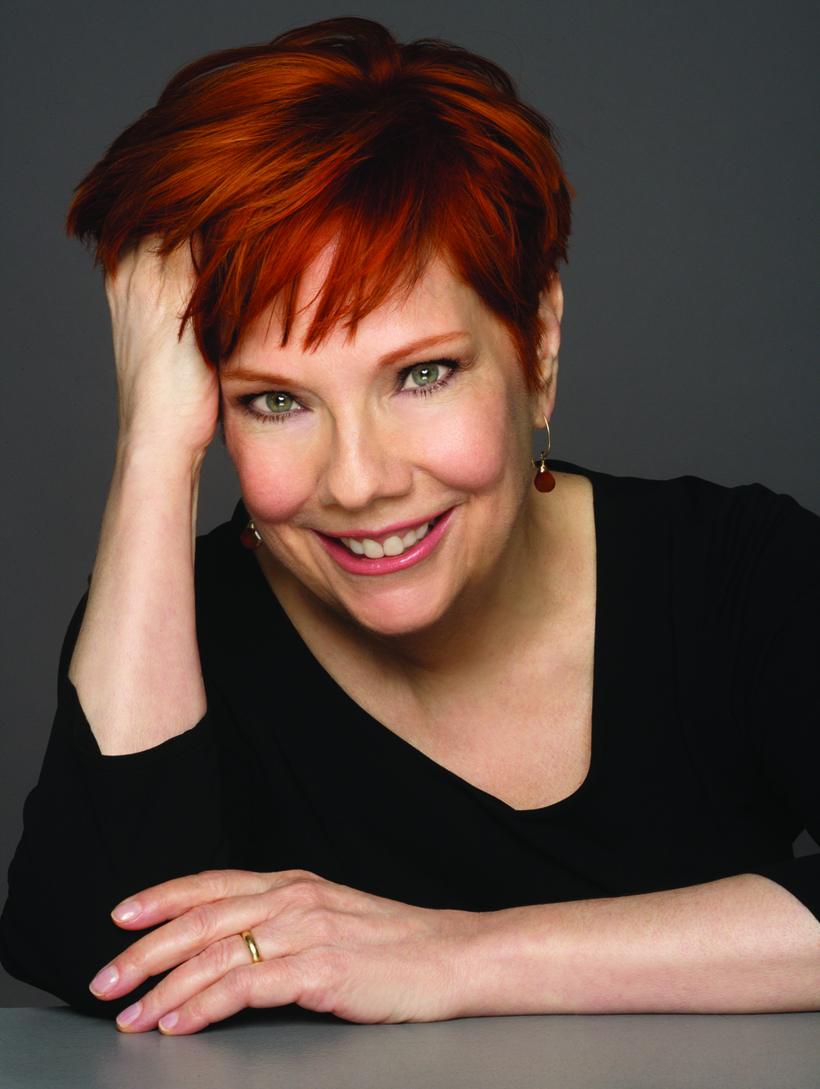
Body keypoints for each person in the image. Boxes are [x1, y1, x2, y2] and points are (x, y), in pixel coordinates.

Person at [1, 17, 818, 1033]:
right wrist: (156, 449)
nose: (358, 482)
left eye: (421, 374)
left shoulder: (735, 574)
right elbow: (113, 959)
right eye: (274, 400)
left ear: (537, 344)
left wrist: (457, 956)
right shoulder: (179, 623)